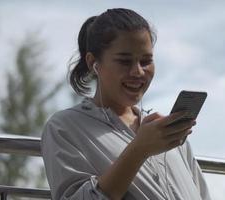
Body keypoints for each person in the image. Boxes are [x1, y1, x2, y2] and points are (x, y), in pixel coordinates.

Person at [41, 8, 211, 200]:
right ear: (93, 63)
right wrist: (139, 149)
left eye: (146, 61)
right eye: (124, 61)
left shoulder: (163, 130)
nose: (138, 72)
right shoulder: (65, 127)